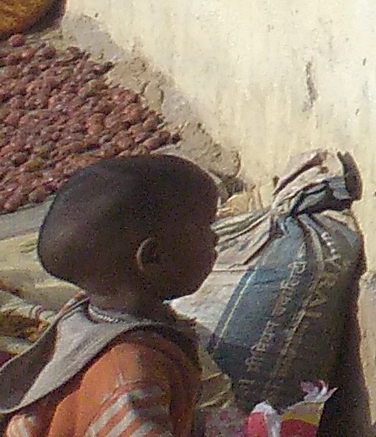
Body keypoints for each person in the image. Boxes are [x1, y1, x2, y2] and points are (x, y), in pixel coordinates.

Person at [1, 154, 222, 435]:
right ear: (153, 257)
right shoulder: (132, 373)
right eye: (206, 227)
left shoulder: (92, 317)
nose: (215, 238)